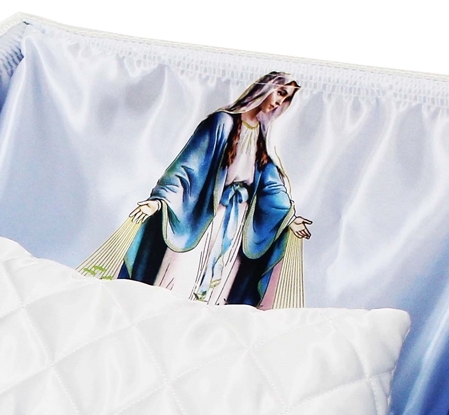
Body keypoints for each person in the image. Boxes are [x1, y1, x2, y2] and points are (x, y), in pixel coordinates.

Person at [117, 72, 314, 308]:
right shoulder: (222, 122)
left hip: (236, 222)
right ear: (265, 88)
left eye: (287, 98)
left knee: (217, 289)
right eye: (280, 92)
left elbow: (271, 186)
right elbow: (187, 167)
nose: (280, 102)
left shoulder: (263, 138)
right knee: (181, 275)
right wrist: (160, 199)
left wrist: (289, 218)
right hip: (201, 216)